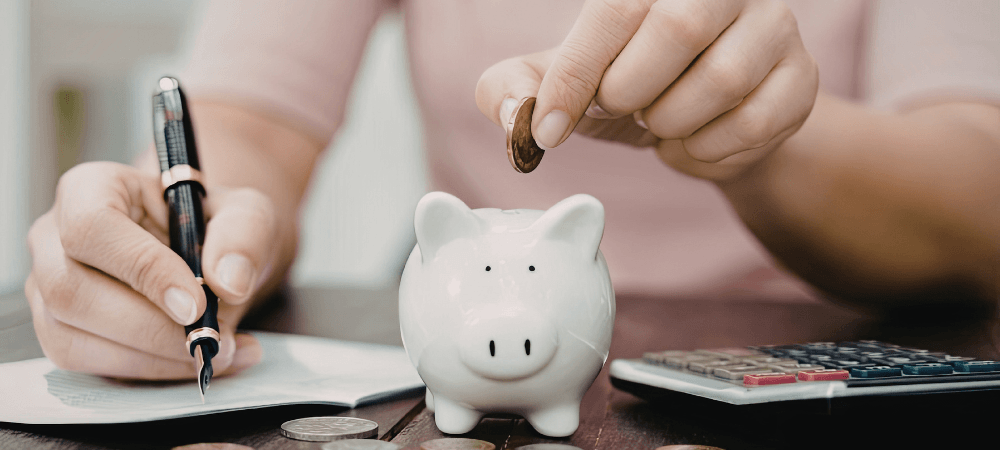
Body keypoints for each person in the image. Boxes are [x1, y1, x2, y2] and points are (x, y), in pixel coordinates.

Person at [24, 0, 1000, 379]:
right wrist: (190, 230)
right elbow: (248, 128)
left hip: (847, 361)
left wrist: (760, 140)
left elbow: (977, 197)